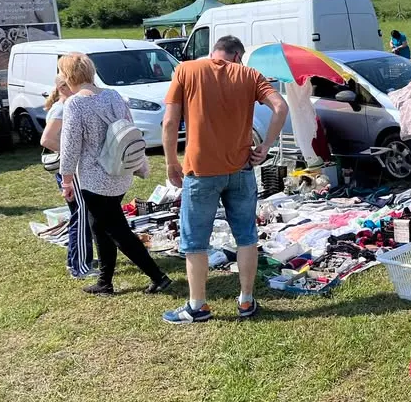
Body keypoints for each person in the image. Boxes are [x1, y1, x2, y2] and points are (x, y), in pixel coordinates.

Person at [161, 35, 288, 324]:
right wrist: (265, 146)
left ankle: (198, 306)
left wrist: (171, 161)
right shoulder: (249, 75)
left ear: (215, 52)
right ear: (237, 56)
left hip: (200, 170)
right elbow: (280, 107)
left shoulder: (186, 70)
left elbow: (169, 121)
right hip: (241, 168)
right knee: (246, 236)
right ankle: (245, 300)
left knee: (195, 241)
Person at [57, 53, 171, 296]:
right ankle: (105, 281)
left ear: (68, 76)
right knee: (99, 225)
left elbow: (70, 146)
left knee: (116, 230)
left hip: (95, 178)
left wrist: (66, 180)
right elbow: (129, 127)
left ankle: (158, 276)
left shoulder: (75, 104)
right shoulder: (113, 95)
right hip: (120, 172)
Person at [41, 77, 94, 278]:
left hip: (71, 168)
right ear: (64, 87)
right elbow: (46, 139)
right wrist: (72, 154)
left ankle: (78, 259)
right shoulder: (62, 109)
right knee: (80, 214)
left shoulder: (61, 106)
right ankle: (79, 267)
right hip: (71, 170)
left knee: (80, 213)